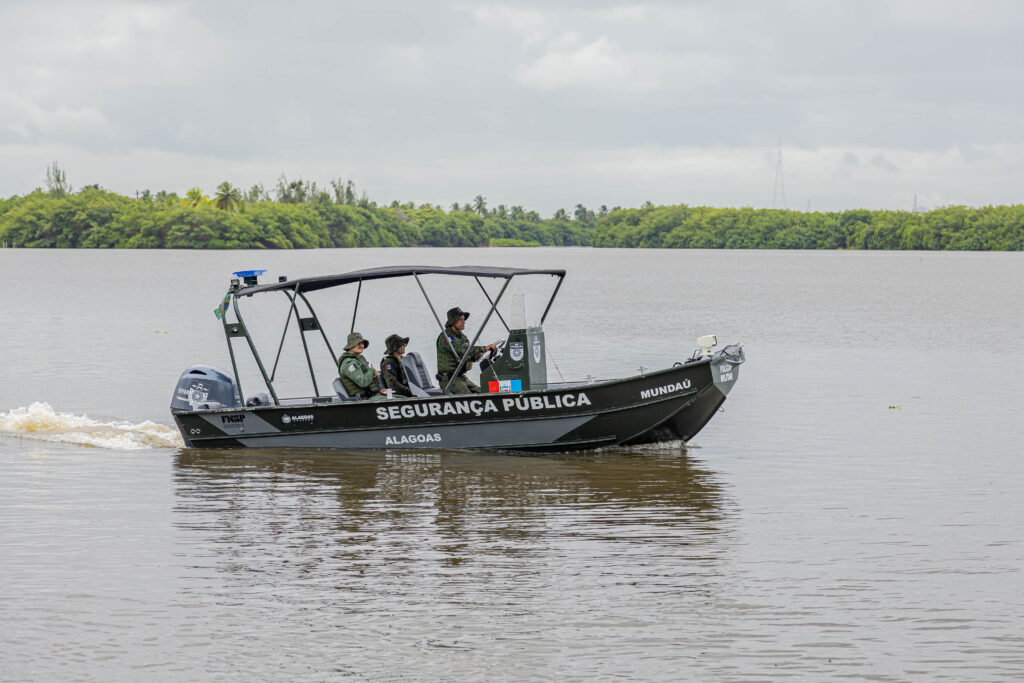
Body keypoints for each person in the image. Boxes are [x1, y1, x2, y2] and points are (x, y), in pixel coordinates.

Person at [436, 307, 496, 394]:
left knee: (483, 393)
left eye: (464, 319)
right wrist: (485, 348)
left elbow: (467, 355)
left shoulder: (461, 337)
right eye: (460, 319)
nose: (463, 322)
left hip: (461, 378)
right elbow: (463, 349)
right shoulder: (447, 338)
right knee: (470, 398)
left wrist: (474, 357)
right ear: (453, 321)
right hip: (449, 380)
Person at [337, 332, 387, 399]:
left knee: (401, 397)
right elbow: (362, 382)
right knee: (396, 400)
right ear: (351, 345)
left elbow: (369, 377)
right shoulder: (348, 363)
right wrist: (372, 370)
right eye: (358, 343)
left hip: (372, 395)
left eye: (362, 343)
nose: (361, 346)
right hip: (362, 399)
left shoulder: (360, 358)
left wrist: (379, 389)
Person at [380, 334, 413, 398]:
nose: (405, 345)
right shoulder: (388, 363)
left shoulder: (404, 361)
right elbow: (392, 383)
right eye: (402, 344)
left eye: (404, 344)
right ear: (394, 347)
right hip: (402, 395)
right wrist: (410, 391)